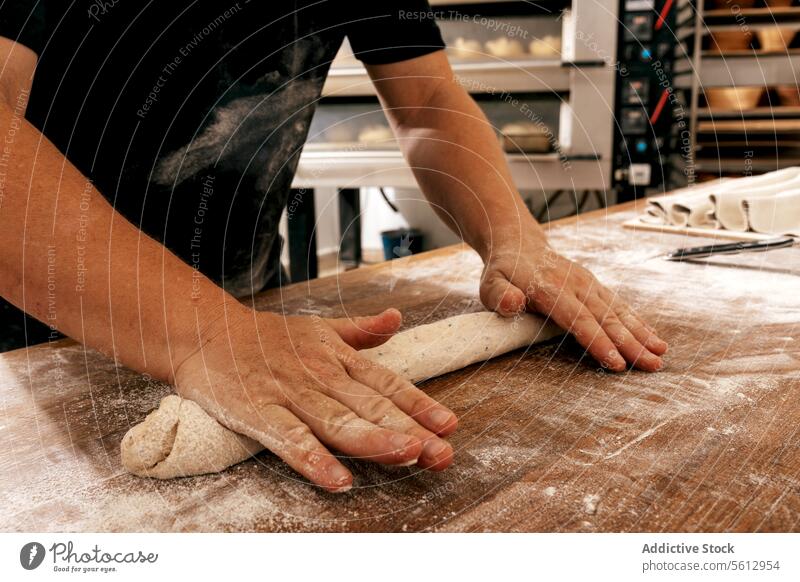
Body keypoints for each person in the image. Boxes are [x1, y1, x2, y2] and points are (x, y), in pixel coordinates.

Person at [0, 1, 667, 491]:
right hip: (34, 339)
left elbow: (429, 101)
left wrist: (513, 235)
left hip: (256, 311)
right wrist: (204, 333)